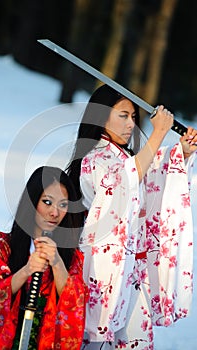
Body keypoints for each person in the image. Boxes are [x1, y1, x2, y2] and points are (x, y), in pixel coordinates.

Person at [66, 84, 197, 349]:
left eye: (134, 117)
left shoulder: (126, 157)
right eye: (123, 115)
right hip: (104, 269)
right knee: (98, 340)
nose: (131, 124)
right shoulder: (94, 158)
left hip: (133, 272)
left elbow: (146, 176)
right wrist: (158, 133)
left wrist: (180, 152)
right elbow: (127, 178)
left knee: (134, 340)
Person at [0, 166, 88, 350]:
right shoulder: (0, 246)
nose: (55, 212)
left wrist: (57, 263)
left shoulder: (71, 256)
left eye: (63, 205)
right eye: (47, 202)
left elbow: (76, 304)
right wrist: (27, 271)